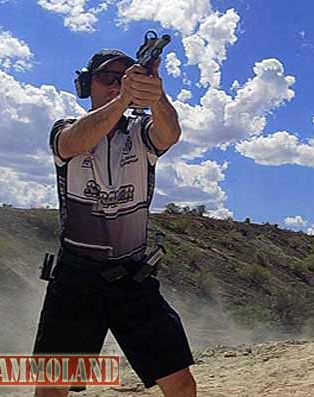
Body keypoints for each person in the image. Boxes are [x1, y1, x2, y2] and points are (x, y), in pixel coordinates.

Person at [32, 49, 196, 397]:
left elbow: (170, 134)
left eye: (123, 78)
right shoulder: (66, 127)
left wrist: (156, 92)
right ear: (86, 84)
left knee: (180, 384)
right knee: (52, 387)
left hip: (131, 276)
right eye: (107, 78)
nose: (115, 84)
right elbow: (72, 142)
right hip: (77, 276)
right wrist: (125, 97)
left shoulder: (140, 131)